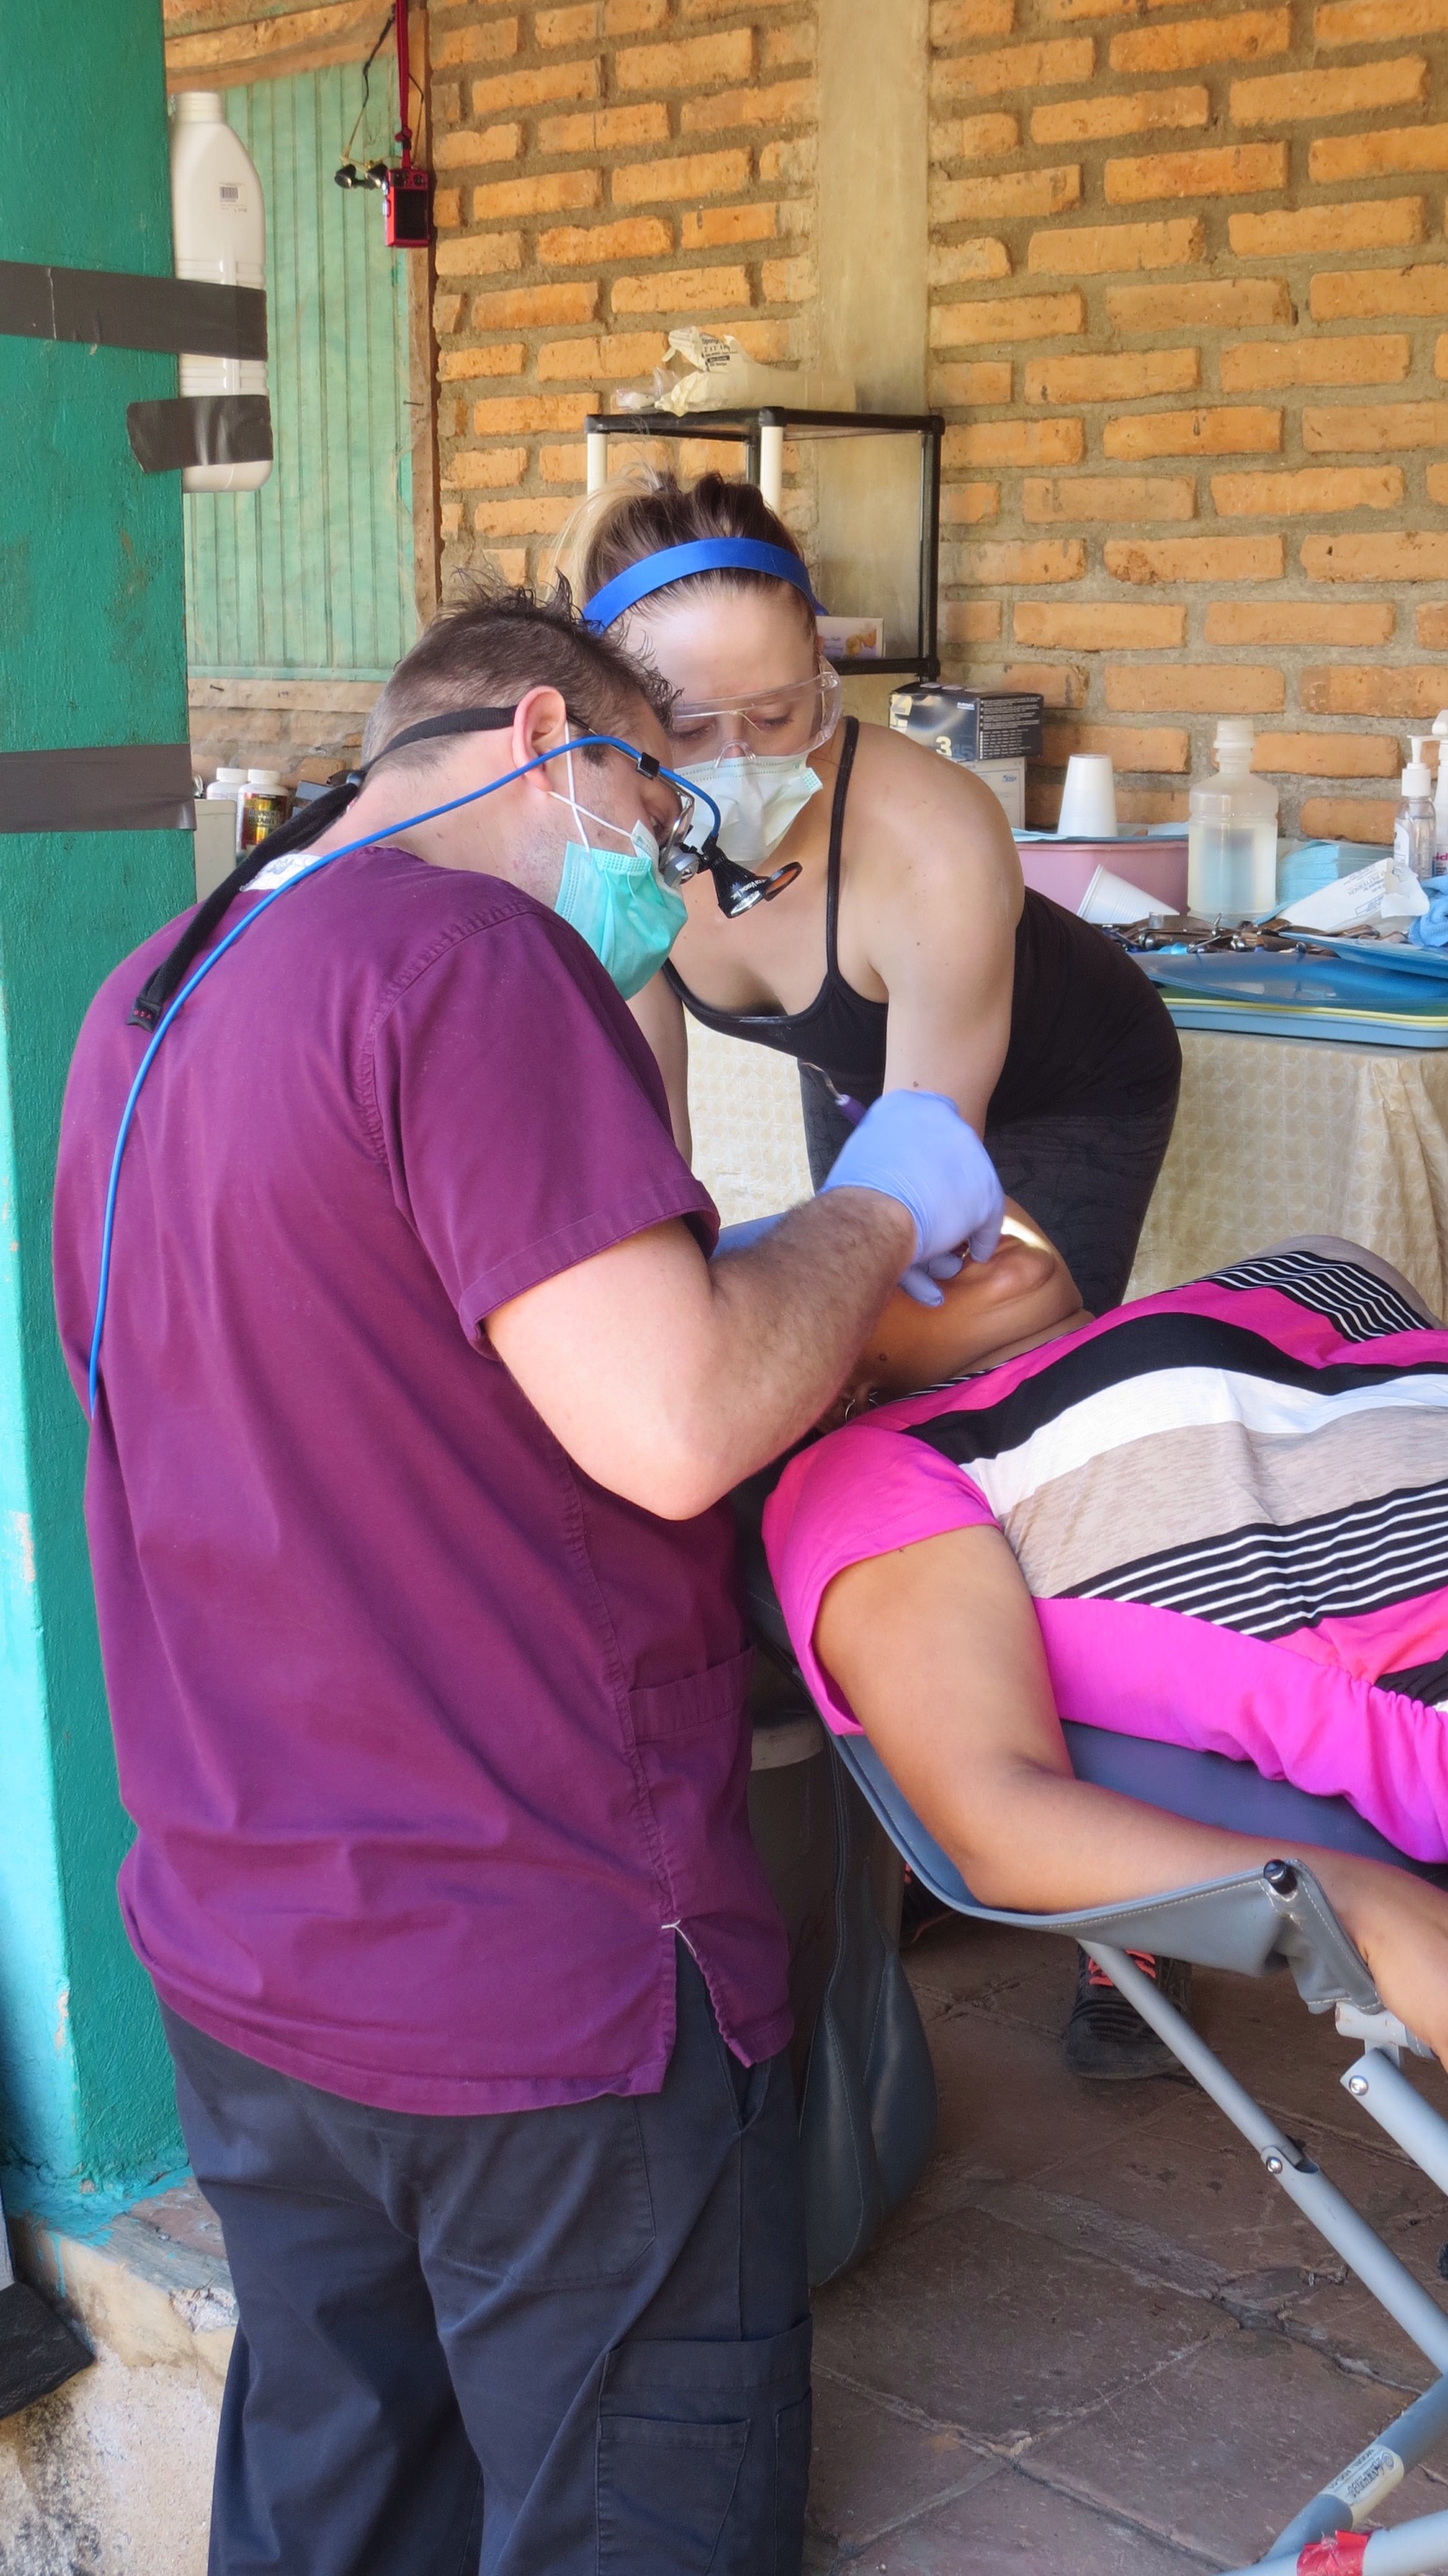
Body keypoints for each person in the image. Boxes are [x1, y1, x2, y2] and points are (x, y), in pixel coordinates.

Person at [52, 585, 1007, 2576]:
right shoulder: (469, 953)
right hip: (539, 1981)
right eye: (657, 819)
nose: (661, 886)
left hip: (251, 1953)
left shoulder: (152, 992)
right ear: (544, 748)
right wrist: (870, 1210)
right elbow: (674, 1418)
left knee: (342, 2504)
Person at [572, 471, 1187, 2069]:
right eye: (690, 728)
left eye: (783, 714)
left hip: (1047, 1100)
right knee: (797, 1410)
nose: (741, 758)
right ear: (618, 724)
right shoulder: (617, 841)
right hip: (868, 1085)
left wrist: (793, 1358)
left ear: (830, 676)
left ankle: (1132, 1909)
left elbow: (931, 1190)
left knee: (989, 1433)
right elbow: (647, 1160)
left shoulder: (928, 833)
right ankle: (913, 1806)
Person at [760, 1231, 1448, 2072]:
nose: (949, 1228)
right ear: (839, 1382)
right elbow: (996, 1817)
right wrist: (1364, 1905)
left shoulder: (1295, 1271)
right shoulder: (875, 1464)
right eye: (884, 1243)